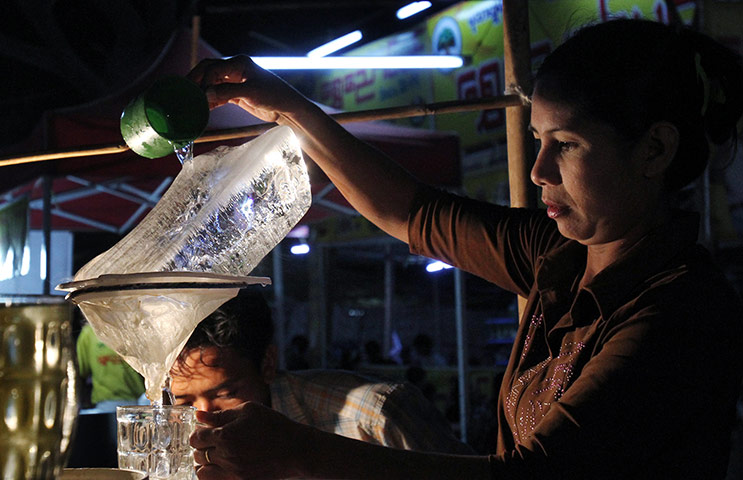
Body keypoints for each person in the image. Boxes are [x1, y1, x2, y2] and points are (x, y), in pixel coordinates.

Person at [186, 18, 743, 479]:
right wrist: (287, 107)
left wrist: (298, 451)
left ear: (655, 150)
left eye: (567, 145)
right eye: (537, 141)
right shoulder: (558, 255)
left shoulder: (679, 312)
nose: (539, 170)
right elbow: (412, 212)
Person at [169, 289, 473, 456]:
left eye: (225, 394)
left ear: (267, 364)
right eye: (184, 403)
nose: (202, 419)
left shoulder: (373, 418)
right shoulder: (179, 445)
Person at [76, 323, 146, 411]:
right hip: (106, 403)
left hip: (140, 400)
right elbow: (80, 372)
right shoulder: (88, 333)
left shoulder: (136, 328)